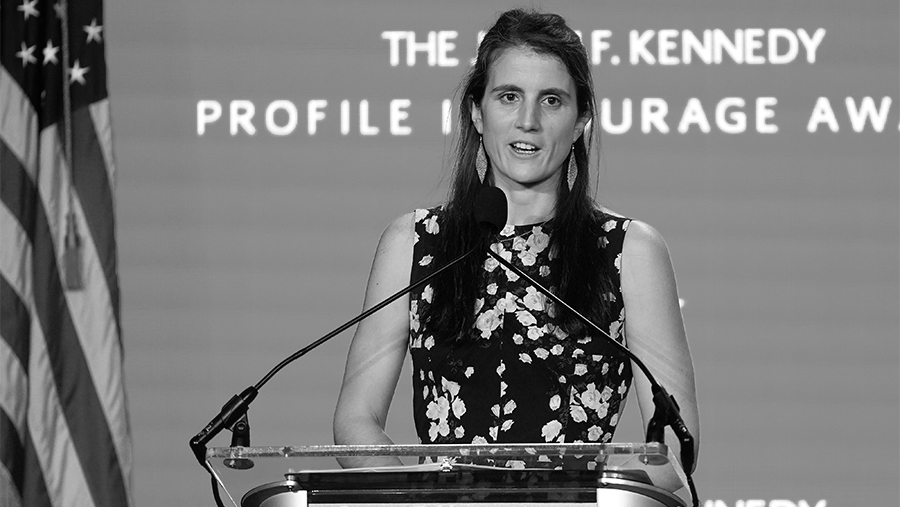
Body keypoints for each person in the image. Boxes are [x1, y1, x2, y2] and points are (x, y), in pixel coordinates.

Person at [333, 8, 699, 473]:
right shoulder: (415, 242)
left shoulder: (630, 251)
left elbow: (674, 447)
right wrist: (420, 496)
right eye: (509, 96)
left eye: (552, 101)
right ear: (476, 112)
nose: (528, 120)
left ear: (581, 119)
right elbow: (356, 420)